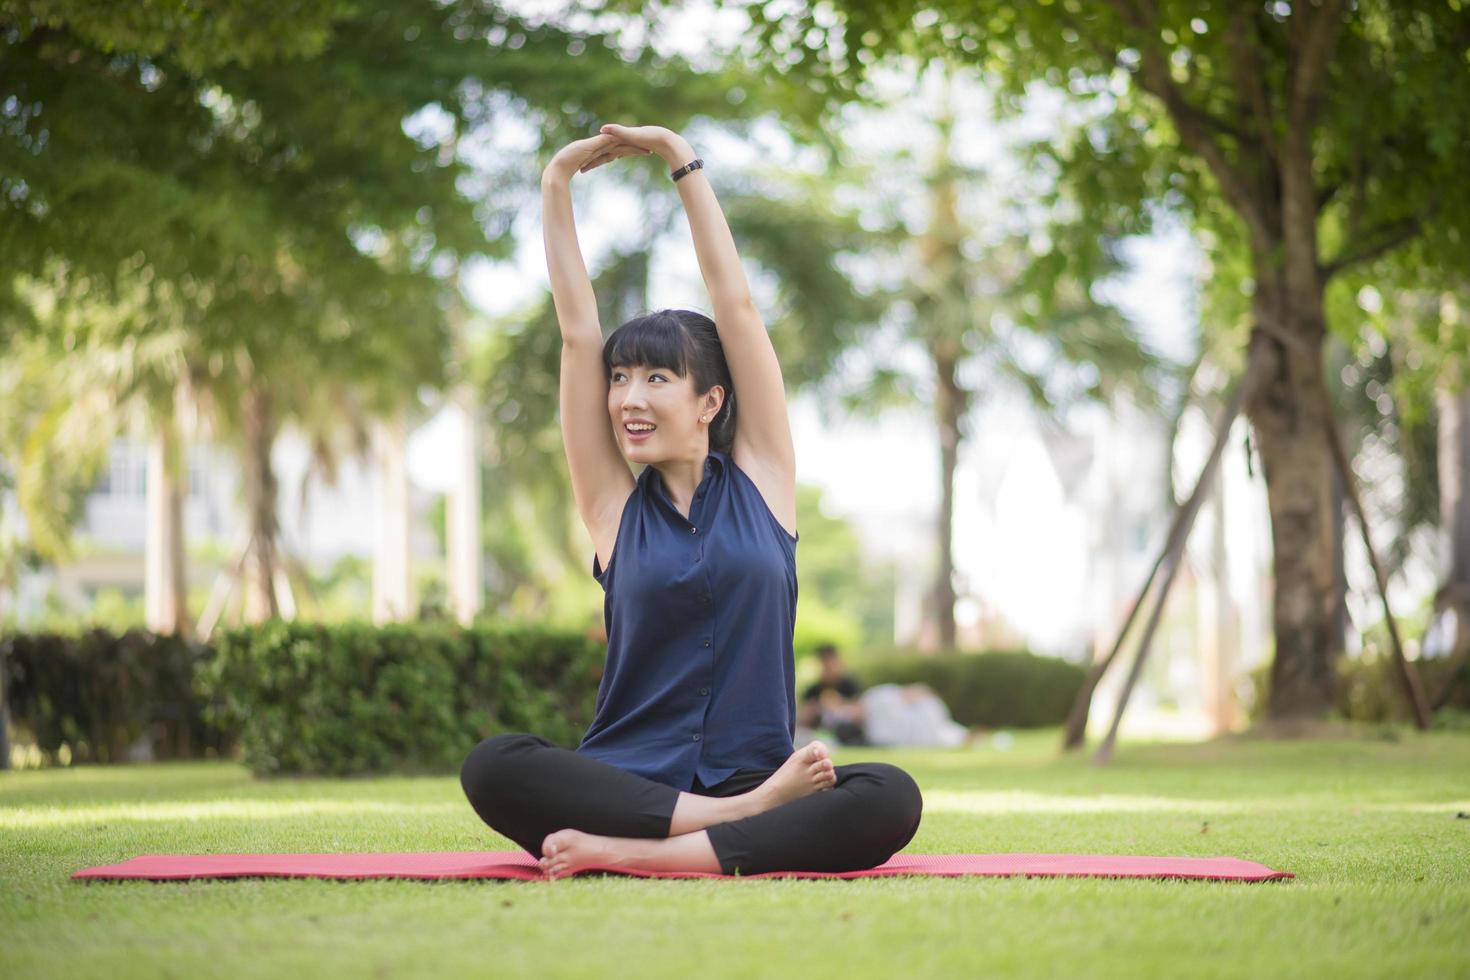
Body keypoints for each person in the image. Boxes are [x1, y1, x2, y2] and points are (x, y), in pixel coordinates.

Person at [459, 123, 923, 879]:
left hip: (753, 770)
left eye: (655, 379)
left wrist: (681, 158)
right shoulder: (614, 508)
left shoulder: (765, 483)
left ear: (710, 401)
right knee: (495, 764)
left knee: (890, 795)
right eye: (620, 379)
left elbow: (734, 306)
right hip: (634, 783)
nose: (627, 398)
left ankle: (633, 858)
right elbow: (579, 336)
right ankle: (721, 830)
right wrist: (556, 182)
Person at [798, 644, 868, 745]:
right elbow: (802, 720)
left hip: (847, 735)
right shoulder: (813, 690)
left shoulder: (849, 685)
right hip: (820, 735)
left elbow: (861, 715)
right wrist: (814, 710)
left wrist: (842, 706)